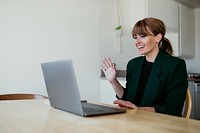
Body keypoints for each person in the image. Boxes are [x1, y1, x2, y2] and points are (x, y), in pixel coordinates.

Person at [101, 17, 188, 117]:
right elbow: (127, 98)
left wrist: (140, 109)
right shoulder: (133, 64)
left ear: (158, 38)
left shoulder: (175, 65)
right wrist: (113, 80)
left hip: (159, 123)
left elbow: (173, 109)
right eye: (135, 37)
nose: (137, 42)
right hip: (134, 119)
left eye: (142, 36)